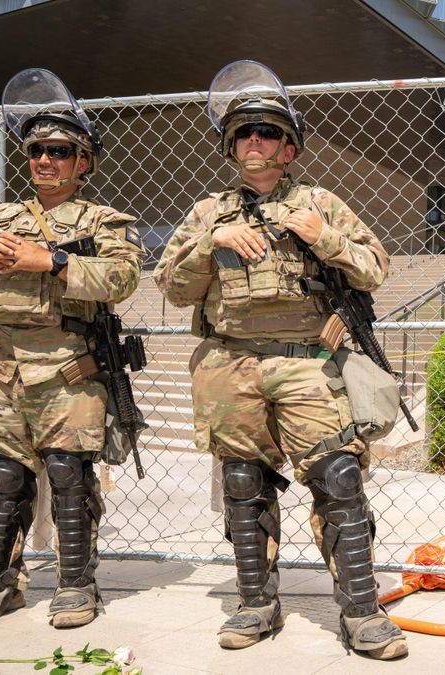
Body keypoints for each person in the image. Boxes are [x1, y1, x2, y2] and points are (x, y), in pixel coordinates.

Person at [153, 61, 406, 659]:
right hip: (230, 364)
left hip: (309, 362)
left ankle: (362, 610)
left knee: (338, 480)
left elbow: (375, 268)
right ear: (231, 146)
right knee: (244, 485)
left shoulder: (321, 202)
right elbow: (170, 285)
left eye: (267, 132)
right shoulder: (208, 213)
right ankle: (256, 604)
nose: (255, 142)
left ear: (289, 147)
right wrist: (208, 248)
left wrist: (324, 237)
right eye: (244, 133)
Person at [0, 69, 145, 628]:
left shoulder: (104, 221)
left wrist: (48, 260)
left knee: (69, 475)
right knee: (5, 477)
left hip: (68, 370)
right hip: (1, 373)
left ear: (83, 162)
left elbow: (122, 278)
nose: (44, 161)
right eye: (36, 151)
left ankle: (76, 586)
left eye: (59, 151)